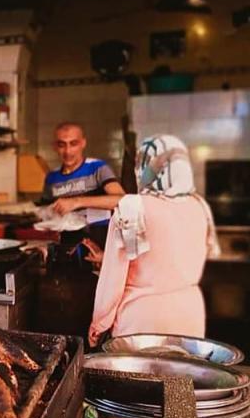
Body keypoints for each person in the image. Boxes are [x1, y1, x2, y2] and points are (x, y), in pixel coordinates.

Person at [87, 135, 220, 346]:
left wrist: (99, 323)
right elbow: (172, 256)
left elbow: (112, 280)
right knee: (180, 377)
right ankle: (178, 382)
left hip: (142, 321)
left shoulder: (131, 208)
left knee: (137, 378)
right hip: (189, 315)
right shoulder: (199, 206)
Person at [43, 122, 125, 216]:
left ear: (83, 143)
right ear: (55, 147)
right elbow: (45, 210)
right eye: (62, 145)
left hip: (98, 229)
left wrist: (77, 202)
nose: (67, 151)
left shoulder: (97, 167)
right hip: (63, 229)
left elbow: (122, 200)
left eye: (73, 144)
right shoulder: (51, 177)